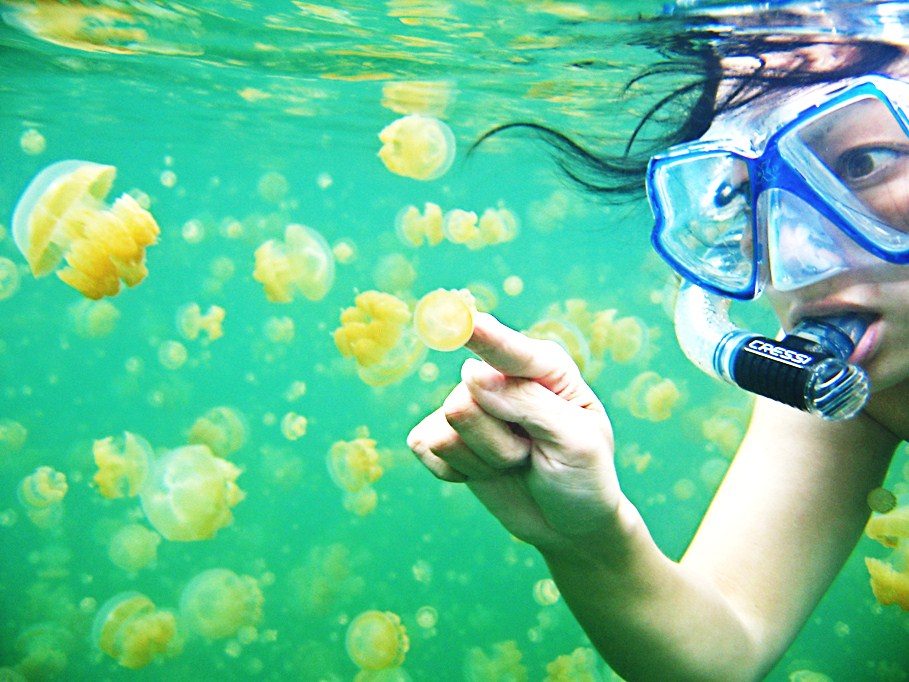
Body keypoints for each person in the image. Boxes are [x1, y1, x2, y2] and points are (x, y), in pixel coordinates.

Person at [406, 1, 909, 680]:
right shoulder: (854, 389)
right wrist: (592, 542)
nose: (795, 256)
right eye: (743, 193)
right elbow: (722, 650)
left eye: (862, 163)